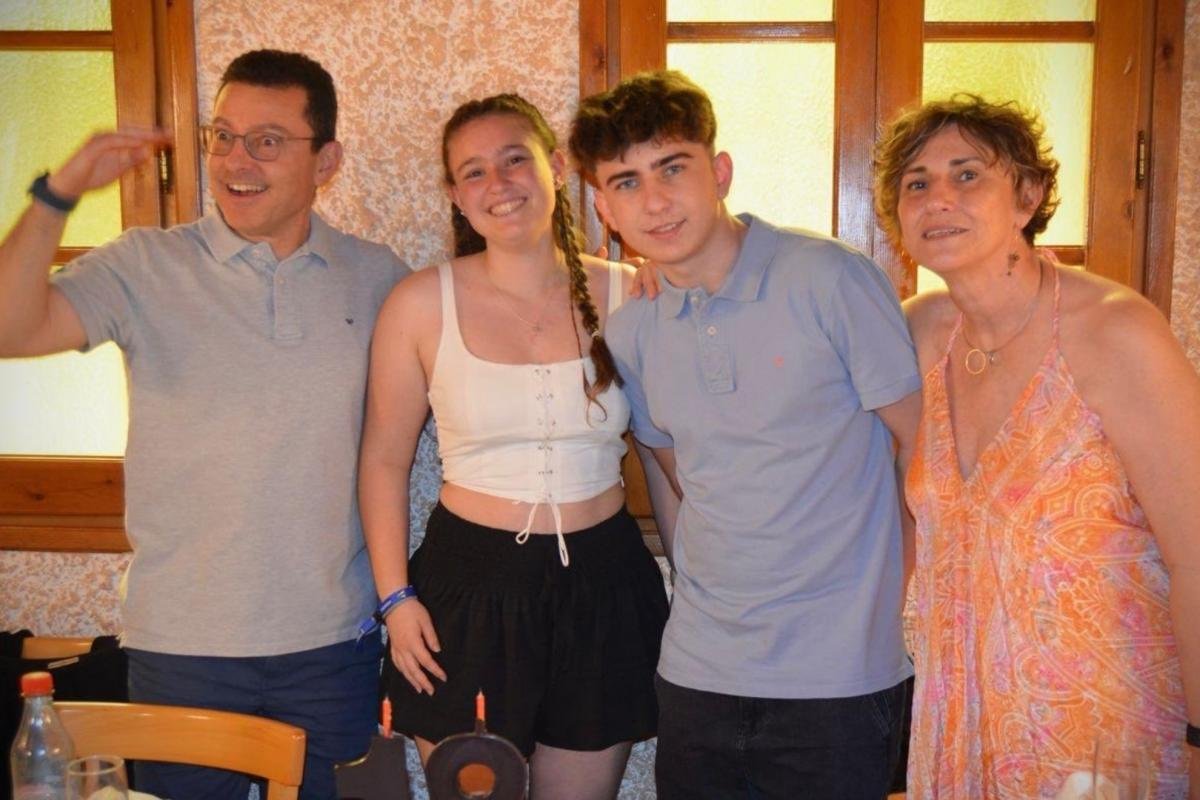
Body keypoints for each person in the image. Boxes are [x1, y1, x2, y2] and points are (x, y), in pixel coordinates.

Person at [0, 50, 409, 799]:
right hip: (181, 647)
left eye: (267, 141)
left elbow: (475, 344)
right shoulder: (143, 265)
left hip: (332, 645)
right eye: (222, 135)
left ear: (326, 161)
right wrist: (59, 193)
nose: (235, 160)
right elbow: (9, 326)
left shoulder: (377, 276)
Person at [568, 70, 923, 800]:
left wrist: (911, 607)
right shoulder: (633, 329)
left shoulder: (829, 278)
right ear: (604, 207)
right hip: (698, 673)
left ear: (720, 172)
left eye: (673, 168)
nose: (655, 200)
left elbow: (925, 451)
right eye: (627, 182)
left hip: (839, 675)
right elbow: (679, 482)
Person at [874, 94, 1200, 798]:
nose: (938, 198)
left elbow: (1196, 554)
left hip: (1103, 734)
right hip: (960, 724)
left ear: (1027, 196)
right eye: (917, 183)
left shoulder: (1115, 332)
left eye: (967, 175)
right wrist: (667, 275)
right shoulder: (918, 334)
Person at [357, 93, 671, 800]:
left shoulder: (631, 294)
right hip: (466, 592)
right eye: (473, 172)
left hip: (604, 587)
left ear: (555, 167)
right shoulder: (418, 303)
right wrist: (395, 599)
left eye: (513, 160)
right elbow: (383, 460)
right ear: (454, 195)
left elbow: (665, 451)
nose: (497, 183)